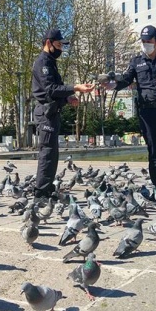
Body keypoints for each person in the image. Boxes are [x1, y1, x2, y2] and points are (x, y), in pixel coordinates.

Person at [103, 25, 156, 195]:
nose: (145, 44)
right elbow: (126, 79)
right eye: (143, 41)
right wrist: (112, 85)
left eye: (149, 41)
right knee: (153, 151)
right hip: (147, 113)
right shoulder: (136, 62)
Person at [32, 28, 94, 200]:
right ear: (48, 43)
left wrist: (68, 98)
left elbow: (56, 90)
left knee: (53, 153)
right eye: (59, 45)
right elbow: (50, 89)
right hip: (45, 113)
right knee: (47, 152)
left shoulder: (51, 62)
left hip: (51, 112)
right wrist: (75, 87)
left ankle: (48, 188)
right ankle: (40, 193)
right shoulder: (43, 63)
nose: (61, 49)